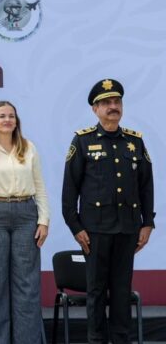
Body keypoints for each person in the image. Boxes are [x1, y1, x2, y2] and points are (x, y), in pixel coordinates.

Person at [62, 79, 154, 344]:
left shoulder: (135, 142)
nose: (113, 107)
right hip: (95, 230)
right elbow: (70, 190)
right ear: (95, 109)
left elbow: (146, 186)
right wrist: (76, 227)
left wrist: (147, 223)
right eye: (106, 103)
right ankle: (96, 340)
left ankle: (121, 340)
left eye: (116, 102)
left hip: (127, 228)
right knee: (97, 291)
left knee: (122, 292)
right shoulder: (82, 141)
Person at [0, 101, 49, 344]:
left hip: (26, 214)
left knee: (27, 286)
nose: (7, 120)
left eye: (11, 116)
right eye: (2, 116)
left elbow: (40, 187)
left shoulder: (29, 148)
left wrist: (43, 220)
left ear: (17, 121)